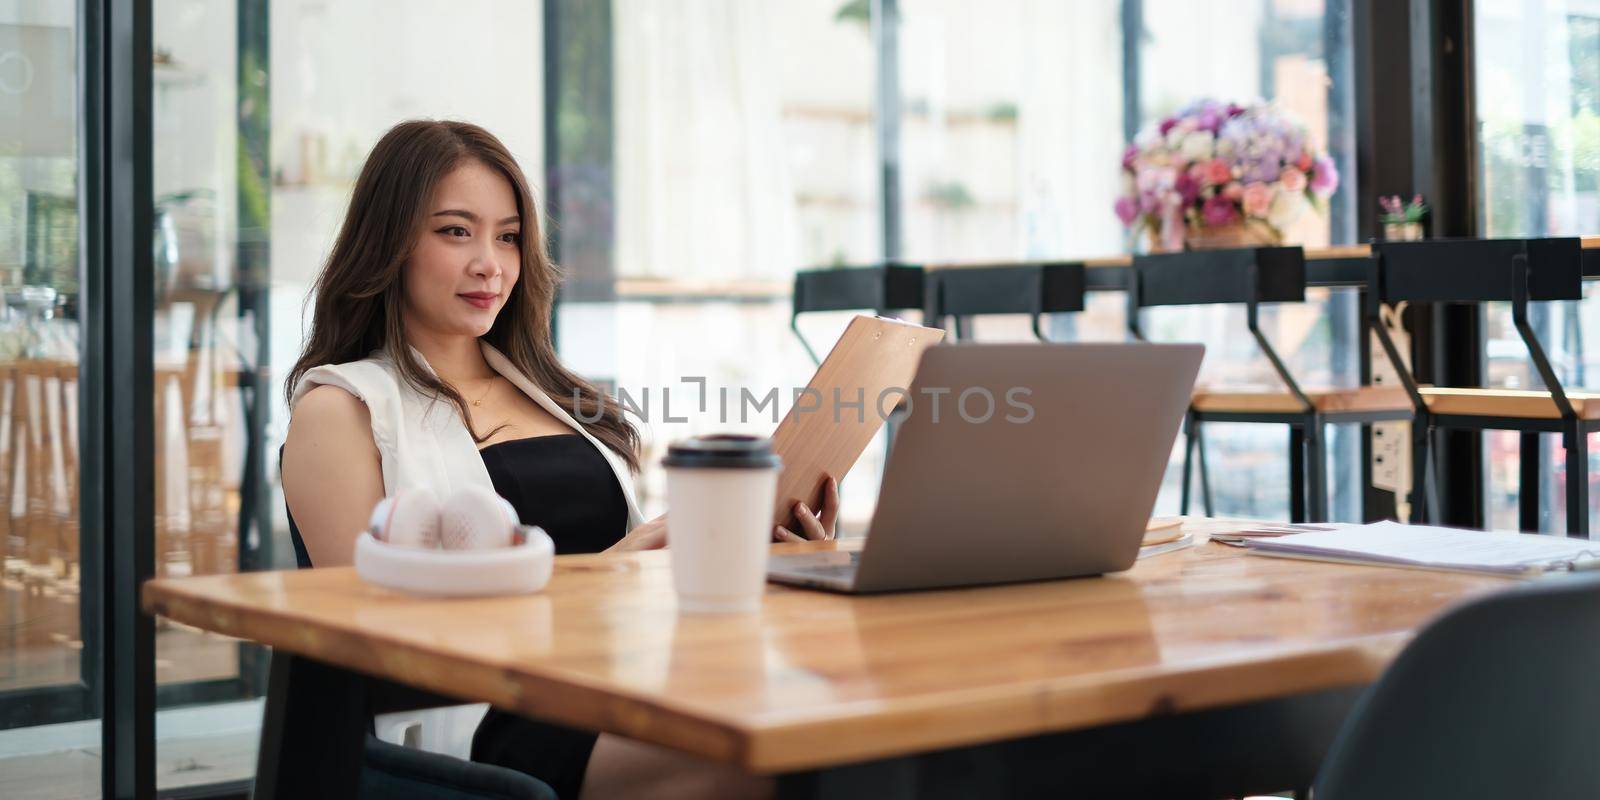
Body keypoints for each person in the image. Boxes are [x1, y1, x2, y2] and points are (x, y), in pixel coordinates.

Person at [281, 119, 839, 800]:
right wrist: (609, 579)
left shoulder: (555, 397)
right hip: (502, 715)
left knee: (854, 723)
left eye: (508, 236)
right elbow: (381, 646)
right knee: (783, 754)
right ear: (390, 243)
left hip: (629, 674)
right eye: (456, 231)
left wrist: (765, 556)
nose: (490, 262)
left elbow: (634, 571)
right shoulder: (341, 411)